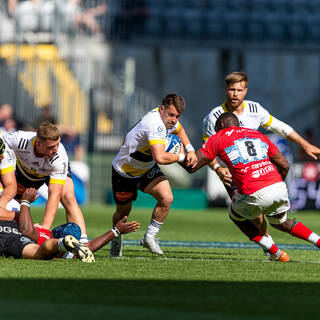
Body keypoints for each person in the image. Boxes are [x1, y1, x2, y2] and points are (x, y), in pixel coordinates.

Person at [202, 71, 320, 254]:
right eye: (232, 89)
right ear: (226, 90)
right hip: (233, 173)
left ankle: (271, 250)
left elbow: (280, 127)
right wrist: (218, 169)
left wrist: (304, 144)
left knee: (262, 214)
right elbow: (206, 149)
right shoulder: (214, 117)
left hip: (261, 169)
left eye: (239, 90)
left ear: (245, 91)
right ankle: (271, 249)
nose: (235, 94)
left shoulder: (255, 109)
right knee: (255, 215)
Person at [187, 112, 320, 261]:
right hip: (277, 185)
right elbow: (284, 164)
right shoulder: (257, 134)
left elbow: (191, 166)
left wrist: (179, 152)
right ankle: (318, 241)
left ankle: (275, 252)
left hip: (253, 190)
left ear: (222, 126)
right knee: (281, 222)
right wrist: (275, 182)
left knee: (235, 216)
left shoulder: (218, 137)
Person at [110, 93, 197, 257]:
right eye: (171, 115)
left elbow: (180, 130)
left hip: (146, 169)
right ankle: (116, 238)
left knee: (167, 198)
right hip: (124, 172)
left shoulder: (167, 119)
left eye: (177, 116)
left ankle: (149, 237)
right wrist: (182, 156)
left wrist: (190, 148)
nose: (173, 119)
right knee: (123, 213)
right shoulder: (154, 123)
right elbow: (160, 157)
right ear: (162, 109)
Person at [1, 121, 88, 243]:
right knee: (15, 203)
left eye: (58, 144)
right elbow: (2, 140)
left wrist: (45, 228)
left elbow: (54, 195)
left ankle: (83, 242)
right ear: (38, 143)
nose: (56, 149)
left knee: (67, 196)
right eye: (51, 147)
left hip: (49, 172)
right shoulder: (20, 139)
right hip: (24, 171)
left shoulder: (59, 157)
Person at [0, 188, 140, 261]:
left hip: (11, 232)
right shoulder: (62, 250)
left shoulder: (43, 234)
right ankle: (61, 243)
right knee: (37, 252)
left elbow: (27, 231)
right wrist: (115, 231)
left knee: (38, 251)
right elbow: (89, 247)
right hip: (14, 236)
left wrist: (25, 202)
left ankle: (61, 243)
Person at [0, 137, 17, 209]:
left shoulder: (4, 154)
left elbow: (11, 184)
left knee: (18, 210)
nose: (2, 157)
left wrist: (2, 203)